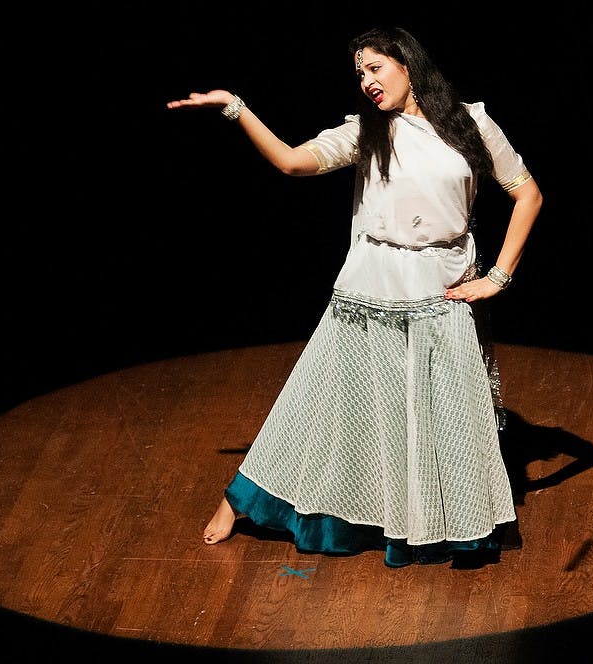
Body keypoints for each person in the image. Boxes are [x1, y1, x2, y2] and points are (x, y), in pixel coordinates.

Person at [166, 26, 542, 567]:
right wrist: (235, 107)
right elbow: (292, 162)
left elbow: (527, 193)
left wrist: (500, 277)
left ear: (407, 64)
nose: (366, 81)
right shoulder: (365, 132)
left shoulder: (470, 123)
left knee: (439, 415)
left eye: (374, 68)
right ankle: (240, 501)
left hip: (444, 286)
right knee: (325, 402)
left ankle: (436, 522)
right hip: (374, 286)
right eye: (359, 74)